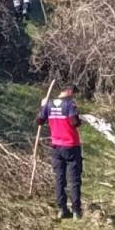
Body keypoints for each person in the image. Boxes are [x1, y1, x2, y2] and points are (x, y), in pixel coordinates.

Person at [37, 87, 82, 220]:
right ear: (69, 91)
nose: (73, 96)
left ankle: (62, 209)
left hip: (56, 147)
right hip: (71, 146)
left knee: (59, 179)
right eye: (73, 94)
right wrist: (80, 121)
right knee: (74, 179)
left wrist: (42, 107)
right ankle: (76, 211)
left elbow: (39, 121)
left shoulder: (49, 104)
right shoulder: (70, 104)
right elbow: (74, 122)